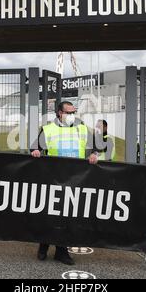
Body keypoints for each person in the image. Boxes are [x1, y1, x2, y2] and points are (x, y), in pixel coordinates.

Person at [31, 101, 99, 265]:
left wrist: (94, 154)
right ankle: (43, 246)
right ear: (59, 113)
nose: (71, 115)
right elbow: (35, 148)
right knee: (49, 214)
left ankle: (61, 252)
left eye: (73, 112)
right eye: (68, 112)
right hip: (53, 179)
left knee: (67, 217)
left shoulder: (81, 128)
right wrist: (36, 151)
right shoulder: (48, 129)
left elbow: (97, 147)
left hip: (74, 180)